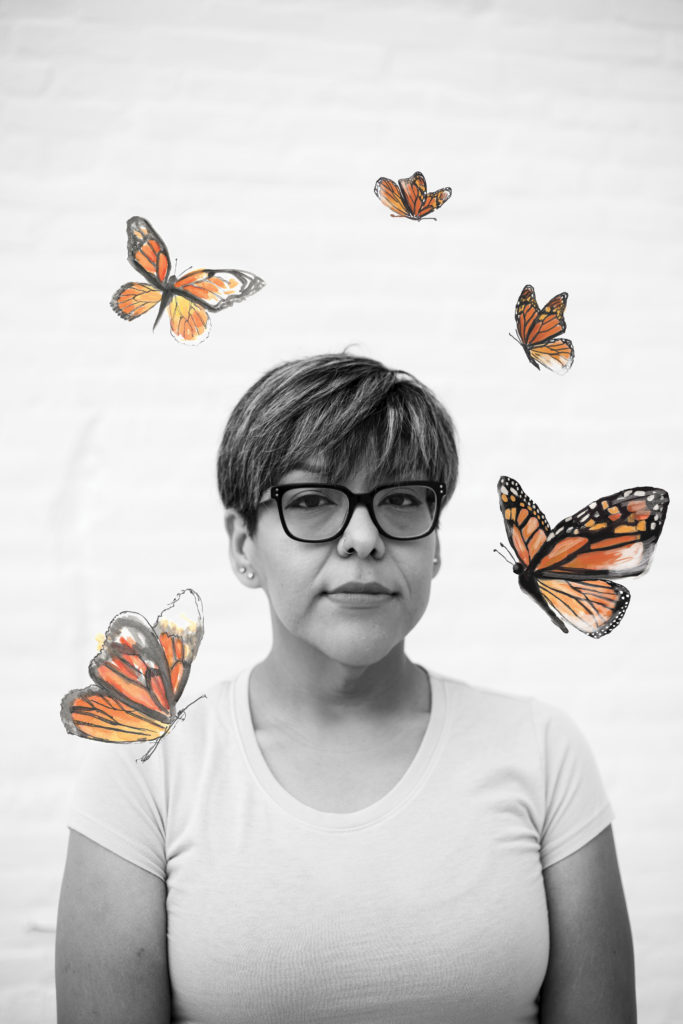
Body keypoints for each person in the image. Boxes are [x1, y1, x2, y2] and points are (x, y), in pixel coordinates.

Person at [56, 352, 636, 1024]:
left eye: (399, 501)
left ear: (436, 546)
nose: (362, 538)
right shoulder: (145, 769)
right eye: (310, 501)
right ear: (243, 543)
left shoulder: (543, 751)